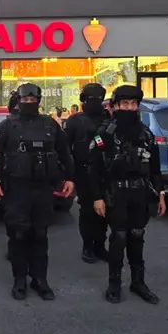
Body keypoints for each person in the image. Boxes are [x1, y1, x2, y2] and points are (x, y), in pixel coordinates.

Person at [0, 83, 75, 301]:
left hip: (43, 188)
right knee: (19, 234)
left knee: (40, 235)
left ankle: (40, 280)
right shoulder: (7, 126)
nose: (29, 103)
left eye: (32, 99)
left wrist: (70, 178)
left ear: (38, 100)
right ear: (18, 100)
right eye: (25, 99)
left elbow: (64, 152)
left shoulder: (50, 125)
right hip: (17, 188)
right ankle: (19, 280)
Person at [88, 85, 166, 304]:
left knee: (137, 236)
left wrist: (160, 193)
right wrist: (97, 197)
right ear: (115, 106)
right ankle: (114, 284)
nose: (130, 108)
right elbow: (93, 167)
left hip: (141, 192)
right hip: (116, 193)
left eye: (133, 104)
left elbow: (155, 167)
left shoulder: (146, 134)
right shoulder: (105, 134)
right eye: (125, 104)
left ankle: (138, 283)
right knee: (119, 238)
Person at [64, 83, 110, 263]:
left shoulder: (108, 119)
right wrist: (69, 176)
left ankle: (99, 245)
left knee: (105, 210)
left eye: (98, 100)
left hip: (105, 172)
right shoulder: (75, 121)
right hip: (83, 172)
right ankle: (88, 246)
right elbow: (66, 149)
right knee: (88, 212)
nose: (95, 103)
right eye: (91, 100)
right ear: (83, 100)